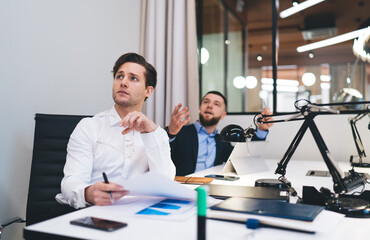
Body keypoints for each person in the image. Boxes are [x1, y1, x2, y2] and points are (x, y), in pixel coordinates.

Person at [56, 53, 176, 209]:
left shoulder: (156, 134)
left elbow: (165, 184)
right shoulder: (89, 127)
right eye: (119, 76)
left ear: (148, 91)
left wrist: (150, 134)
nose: (123, 82)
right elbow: (71, 181)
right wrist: (88, 193)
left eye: (133, 78)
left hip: (138, 215)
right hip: (94, 213)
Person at [165, 91, 273, 176]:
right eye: (206, 102)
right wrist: (171, 133)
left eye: (216, 104)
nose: (210, 106)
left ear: (223, 115)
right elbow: (162, 155)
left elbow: (245, 160)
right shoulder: (180, 132)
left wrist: (261, 130)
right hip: (183, 188)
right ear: (200, 108)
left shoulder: (222, 141)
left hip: (211, 189)